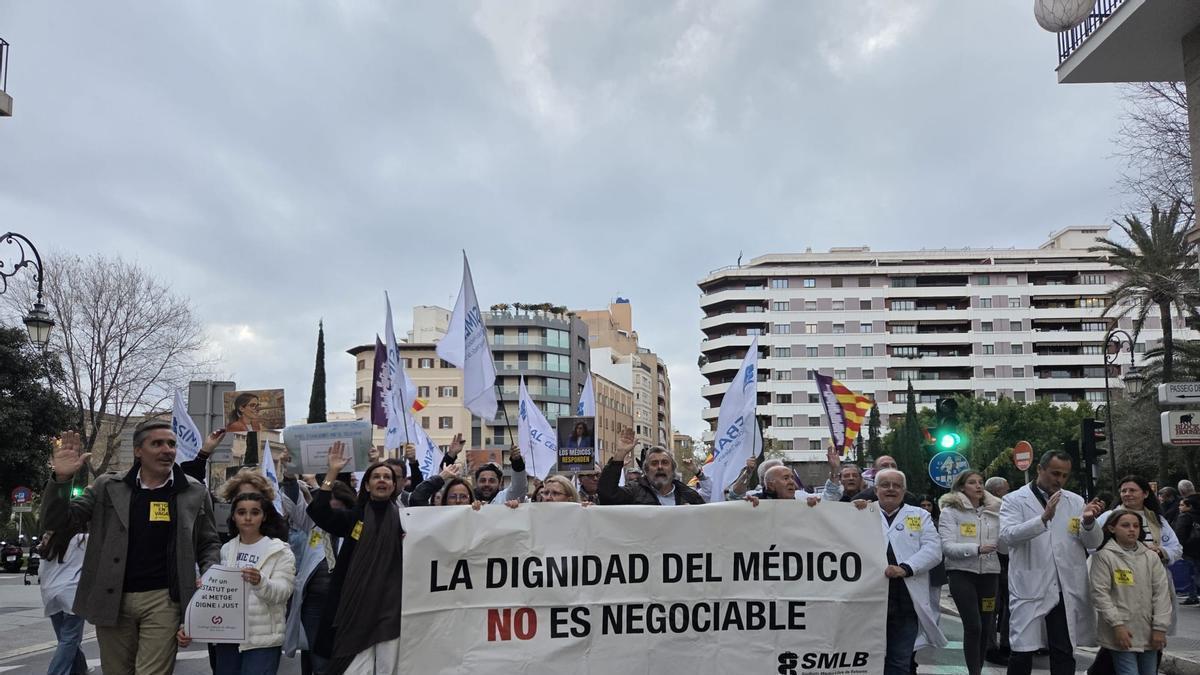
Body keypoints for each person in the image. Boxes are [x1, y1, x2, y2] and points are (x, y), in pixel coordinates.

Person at [41, 423, 222, 675]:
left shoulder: (193, 491)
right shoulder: (107, 486)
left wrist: (211, 574)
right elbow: (56, 522)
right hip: (112, 598)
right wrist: (61, 480)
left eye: (171, 444)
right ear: (138, 450)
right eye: (157, 443)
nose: (167, 450)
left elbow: (208, 542)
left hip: (165, 600)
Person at [999, 450, 1103, 675]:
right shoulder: (1014, 500)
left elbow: (1093, 543)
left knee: (1063, 649)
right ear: (1040, 469)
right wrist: (1043, 518)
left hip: (1065, 587)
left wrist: (1088, 522)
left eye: (1065, 475)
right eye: (1055, 473)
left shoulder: (1075, 501)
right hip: (1031, 585)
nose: (1060, 480)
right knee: (1022, 651)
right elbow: (1007, 536)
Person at [307, 442, 405, 674]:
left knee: (388, 669)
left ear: (394, 486)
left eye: (387, 477)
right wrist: (332, 472)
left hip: (391, 608)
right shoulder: (354, 517)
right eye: (376, 477)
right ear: (367, 486)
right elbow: (320, 513)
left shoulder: (406, 519)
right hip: (354, 608)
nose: (382, 480)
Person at [179, 492, 296, 673]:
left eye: (255, 512)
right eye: (241, 512)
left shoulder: (280, 551)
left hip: (261, 640)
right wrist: (190, 625)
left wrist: (260, 581)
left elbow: (284, 592)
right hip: (227, 635)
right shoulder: (226, 549)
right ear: (233, 516)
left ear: (264, 516)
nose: (248, 518)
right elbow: (215, 596)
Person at [856, 469, 946, 675]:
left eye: (896, 485)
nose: (891, 489)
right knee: (866, 660)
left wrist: (905, 568)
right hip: (867, 602)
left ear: (904, 491)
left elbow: (933, 550)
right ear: (875, 490)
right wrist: (848, 510)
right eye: (885, 485)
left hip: (905, 602)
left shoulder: (920, 516)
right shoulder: (860, 512)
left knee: (899, 661)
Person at [284, 480, 356, 675]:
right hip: (314, 604)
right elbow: (294, 503)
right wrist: (289, 479)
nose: (330, 505)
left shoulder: (354, 526)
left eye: (335, 501)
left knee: (342, 657)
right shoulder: (313, 524)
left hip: (344, 603)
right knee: (319, 660)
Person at [1089, 509, 1172, 675]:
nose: (1132, 530)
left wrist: (1160, 627)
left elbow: (1162, 594)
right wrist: (1117, 625)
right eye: (1125, 525)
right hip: (1121, 631)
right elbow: (1100, 594)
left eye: (1136, 526)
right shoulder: (1104, 557)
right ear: (1112, 528)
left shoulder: (1151, 557)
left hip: (1149, 631)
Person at [938, 471, 1002, 675]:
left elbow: (1004, 543)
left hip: (990, 574)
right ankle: (974, 672)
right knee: (973, 626)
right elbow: (947, 547)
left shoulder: (995, 511)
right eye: (972, 482)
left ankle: (978, 669)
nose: (978, 486)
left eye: (981, 482)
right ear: (961, 487)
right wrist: (976, 549)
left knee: (986, 626)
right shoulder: (950, 512)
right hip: (961, 574)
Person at [599, 428, 704, 506]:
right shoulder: (634, 491)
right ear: (646, 470)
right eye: (654, 463)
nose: (660, 467)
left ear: (672, 469)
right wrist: (620, 454)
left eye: (665, 462)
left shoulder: (689, 496)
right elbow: (607, 496)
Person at [39, 530, 89, 675]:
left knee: (65, 638)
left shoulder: (49, 537)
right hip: (71, 592)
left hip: (49, 592)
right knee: (70, 638)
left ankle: (80, 670)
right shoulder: (82, 539)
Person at [984, 476, 1012, 665]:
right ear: (997, 491)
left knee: (1006, 605)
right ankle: (993, 647)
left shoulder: (1004, 507)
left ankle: (1002, 644)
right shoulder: (993, 508)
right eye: (1006, 489)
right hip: (993, 560)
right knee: (992, 606)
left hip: (1005, 560)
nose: (1008, 492)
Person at [851, 456, 922, 505]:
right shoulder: (861, 498)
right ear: (874, 472)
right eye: (884, 465)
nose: (890, 468)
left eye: (893, 466)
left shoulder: (910, 499)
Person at [1172, 494, 1200, 605]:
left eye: (1182, 505)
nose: (1179, 507)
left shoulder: (1184, 517)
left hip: (1189, 549)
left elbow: (1180, 533)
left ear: (1190, 506)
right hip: (1197, 548)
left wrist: (1178, 547)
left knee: (1191, 573)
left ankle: (1193, 596)